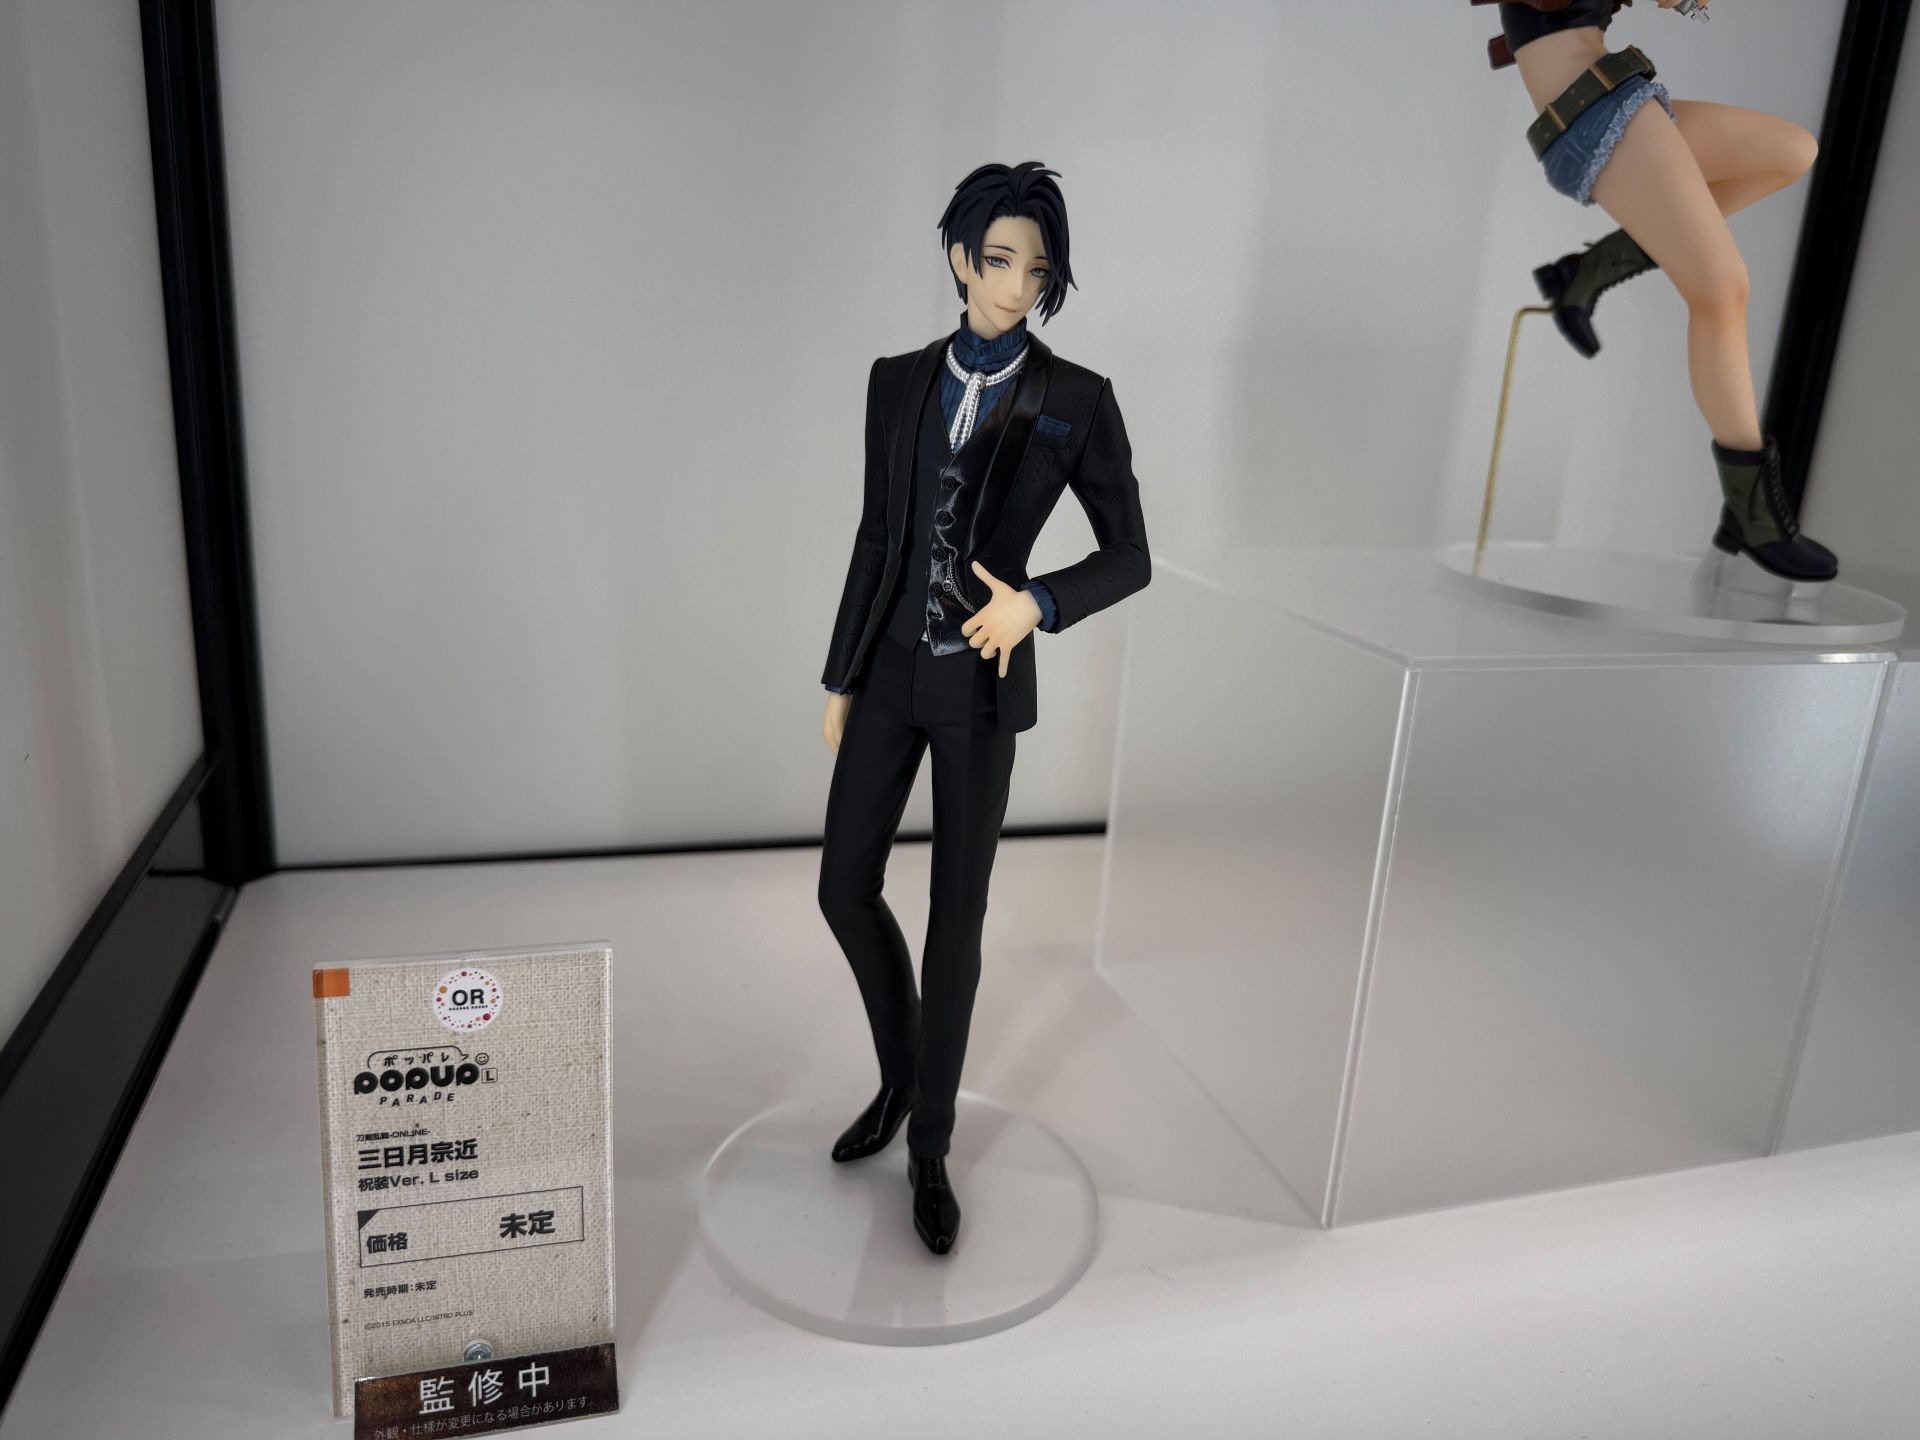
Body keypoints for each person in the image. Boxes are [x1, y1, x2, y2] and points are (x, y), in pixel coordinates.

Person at [815, 161, 1150, 1255]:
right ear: (960, 258)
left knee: (955, 920)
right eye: (999, 261)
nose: (1015, 286)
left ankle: (929, 1146)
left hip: (982, 690)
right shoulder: (894, 381)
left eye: (1035, 271)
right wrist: (841, 676)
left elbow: (1131, 555)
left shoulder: (1077, 399)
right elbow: (878, 535)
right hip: (889, 672)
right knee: (843, 886)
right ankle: (903, 1076)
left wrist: (1037, 604)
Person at [1491, 0, 1836, 580]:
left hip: (1618, 97)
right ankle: (1752, 513)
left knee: (1791, 151)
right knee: (1722, 287)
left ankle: (1589, 271)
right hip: (1588, 116)